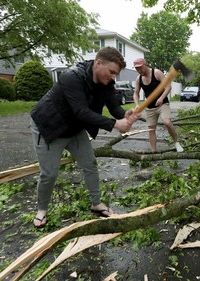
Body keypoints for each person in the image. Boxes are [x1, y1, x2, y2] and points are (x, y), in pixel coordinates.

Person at [30, 46, 140, 228]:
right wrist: (114, 124)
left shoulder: (107, 83)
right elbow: (81, 111)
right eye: (112, 72)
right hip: (49, 127)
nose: (113, 77)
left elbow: (114, 108)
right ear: (98, 63)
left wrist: (125, 115)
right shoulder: (71, 76)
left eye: (116, 74)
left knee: (90, 164)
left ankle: (96, 203)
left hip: (74, 129)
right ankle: (42, 210)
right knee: (49, 173)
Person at [133, 57, 184, 153]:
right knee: (151, 129)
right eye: (136, 68)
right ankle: (153, 152)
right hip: (150, 108)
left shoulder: (156, 73)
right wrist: (136, 104)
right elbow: (135, 93)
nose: (138, 70)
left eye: (140, 67)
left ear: (145, 64)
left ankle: (177, 143)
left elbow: (168, 86)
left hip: (162, 104)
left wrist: (161, 98)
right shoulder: (138, 79)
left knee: (167, 122)